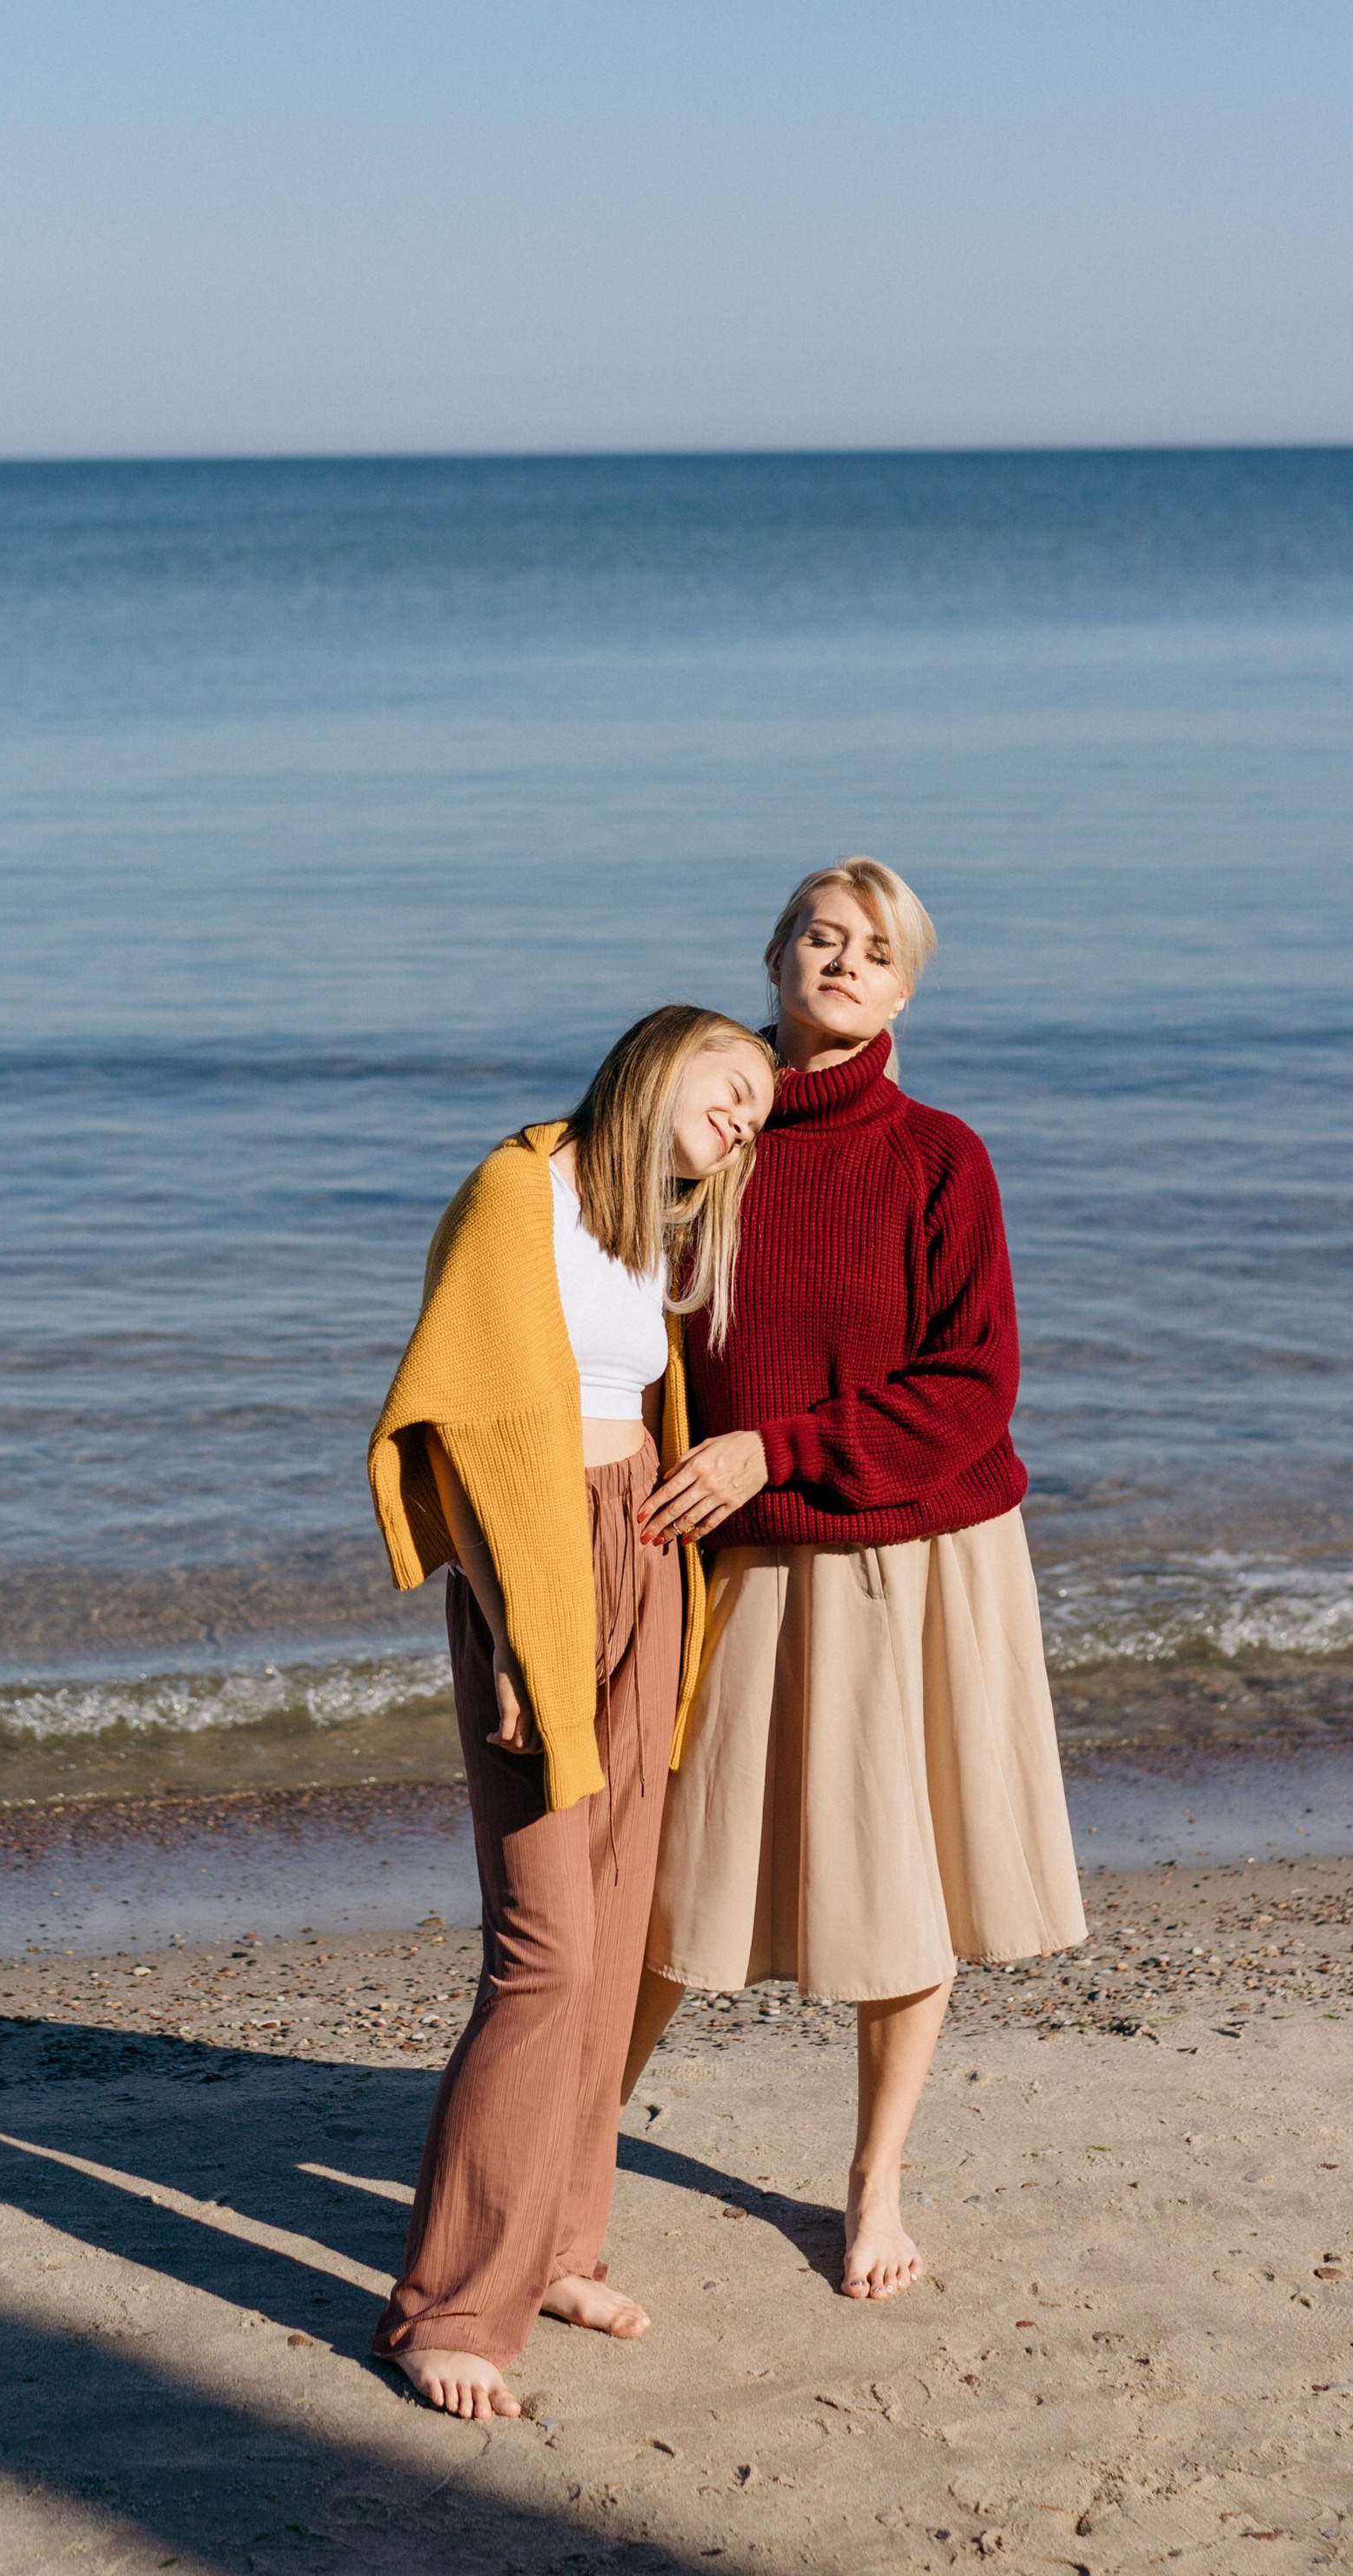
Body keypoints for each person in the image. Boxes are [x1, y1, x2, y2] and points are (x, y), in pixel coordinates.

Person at [630, 861, 1084, 2302]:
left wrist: (779, 1449)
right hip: (737, 1561)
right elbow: (619, 1340)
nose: (843, 960)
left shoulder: (939, 1156)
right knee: (670, 1892)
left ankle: (874, 2181)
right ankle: (570, 2157)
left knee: (903, 1879)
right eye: (821, 936)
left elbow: (975, 1390)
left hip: (914, 1557)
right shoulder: (700, 1140)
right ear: (774, 960)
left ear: (902, 991)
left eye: (874, 950)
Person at [366, 1003, 776, 2419]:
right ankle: (446, 2310)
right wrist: (512, 1627)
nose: (742, 1119)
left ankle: (555, 2250)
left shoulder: (655, 1225)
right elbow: (449, 1423)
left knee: (611, 1946)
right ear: (660, 1060)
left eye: (762, 1111)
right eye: (732, 1086)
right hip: (536, 1575)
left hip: (646, 1562)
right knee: (543, 1950)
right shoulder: (516, 1189)